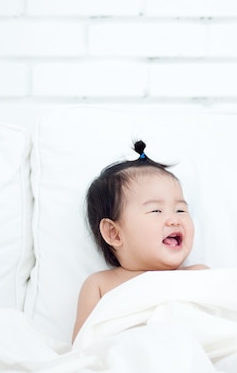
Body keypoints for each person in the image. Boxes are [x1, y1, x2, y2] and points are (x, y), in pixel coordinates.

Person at [72, 141, 207, 341]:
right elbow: (82, 348)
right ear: (114, 234)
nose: (174, 219)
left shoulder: (198, 276)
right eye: (156, 211)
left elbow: (221, 329)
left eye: (180, 210)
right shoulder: (100, 285)